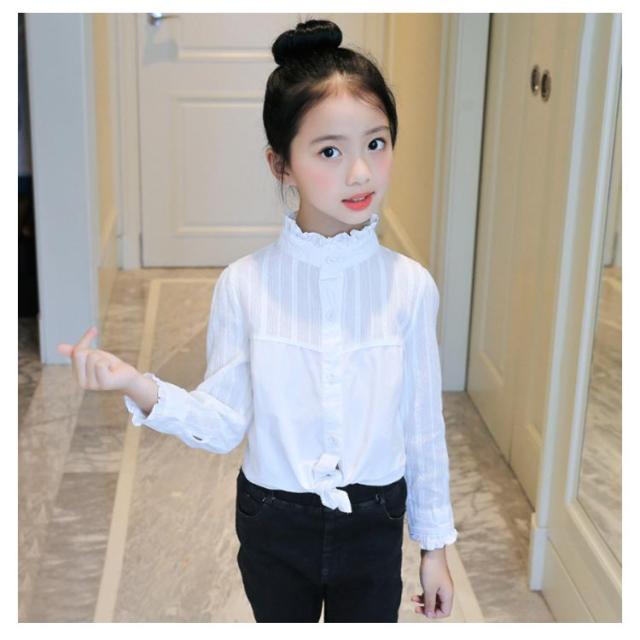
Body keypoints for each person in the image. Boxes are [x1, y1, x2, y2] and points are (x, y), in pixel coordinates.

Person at [57, 18, 458, 623]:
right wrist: (135, 383)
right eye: (330, 151)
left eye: (376, 144)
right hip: (274, 521)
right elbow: (223, 423)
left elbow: (422, 427)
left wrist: (434, 547)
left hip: (374, 521)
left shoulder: (410, 287)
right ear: (280, 164)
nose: (360, 172)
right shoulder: (245, 284)